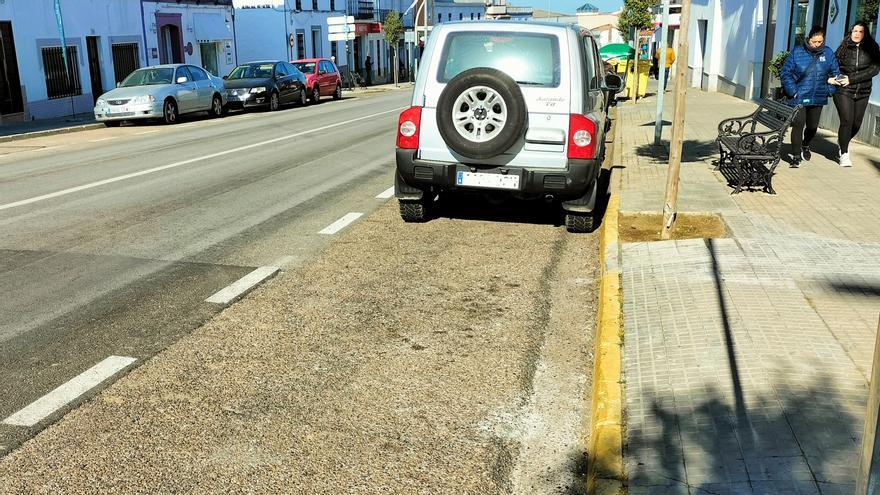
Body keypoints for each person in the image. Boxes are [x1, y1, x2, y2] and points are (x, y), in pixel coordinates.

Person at [781, 26, 845, 168]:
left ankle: (806, 144)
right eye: (814, 41)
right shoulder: (797, 52)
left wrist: (829, 90)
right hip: (799, 96)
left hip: (818, 96)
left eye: (820, 42)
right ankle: (796, 157)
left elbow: (836, 74)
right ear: (808, 39)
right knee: (798, 124)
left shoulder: (828, 53)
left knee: (813, 127)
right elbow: (785, 72)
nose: (816, 44)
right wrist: (793, 91)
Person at [833, 20, 880, 167]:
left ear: (865, 34)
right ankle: (844, 154)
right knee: (846, 120)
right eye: (855, 31)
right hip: (843, 90)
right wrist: (834, 78)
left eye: (861, 32)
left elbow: (875, 69)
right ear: (850, 32)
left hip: (863, 90)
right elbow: (834, 66)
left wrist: (851, 79)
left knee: (856, 123)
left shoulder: (872, 48)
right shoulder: (843, 48)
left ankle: (842, 140)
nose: (857, 34)